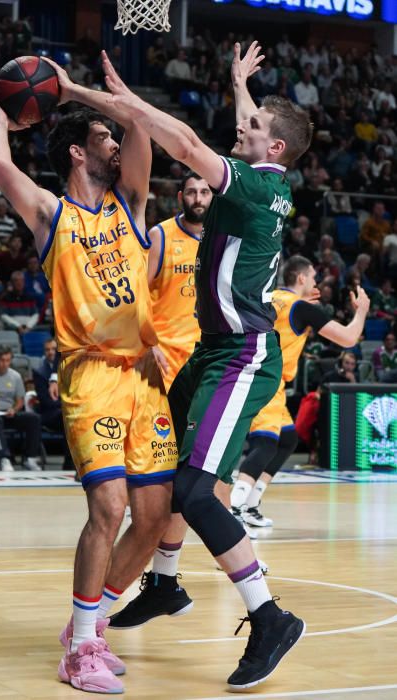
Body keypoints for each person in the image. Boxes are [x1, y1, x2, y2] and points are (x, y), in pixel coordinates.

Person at [101, 40, 313, 690]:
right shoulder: (277, 180)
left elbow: (191, 145)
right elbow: (258, 133)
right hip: (210, 349)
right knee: (174, 471)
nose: (240, 126)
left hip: (240, 352)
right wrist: (238, 83)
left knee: (195, 492)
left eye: (248, 128)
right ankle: (163, 582)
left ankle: (268, 616)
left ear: (268, 150)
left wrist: (128, 105)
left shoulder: (248, 185)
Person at [0, 58, 177, 694]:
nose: (116, 143)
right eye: (103, 139)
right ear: (77, 151)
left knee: (154, 515)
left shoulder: (132, 202)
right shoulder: (50, 213)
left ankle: (88, 622)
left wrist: (73, 89)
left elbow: (138, 121)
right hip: (89, 374)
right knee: (110, 506)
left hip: (145, 375)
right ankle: (83, 648)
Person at [230, 256, 369, 528]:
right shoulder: (302, 308)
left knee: (288, 439)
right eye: (314, 277)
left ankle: (251, 503)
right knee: (266, 442)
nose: (317, 282)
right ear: (301, 278)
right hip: (265, 379)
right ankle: (235, 505)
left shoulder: (270, 297)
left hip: (257, 375)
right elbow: (349, 338)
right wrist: (362, 310)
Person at [148, 172, 211, 391]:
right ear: (180, 197)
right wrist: (148, 343)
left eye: (205, 192)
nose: (198, 199)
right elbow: (138, 294)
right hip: (165, 354)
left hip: (206, 354)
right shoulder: (159, 235)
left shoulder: (221, 239)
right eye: (192, 192)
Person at [0, 345, 42, 472]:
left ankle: (29, 458)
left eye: (8, 360)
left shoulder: (15, 376)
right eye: (2, 360)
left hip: (9, 413)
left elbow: (20, 400)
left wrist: (14, 410)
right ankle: (3, 458)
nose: (5, 364)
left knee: (34, 419)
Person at [32, 337, 74, 469]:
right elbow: (46, 401)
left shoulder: (67, 369)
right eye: (47, 350)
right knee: (67, 415)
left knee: (71, 416)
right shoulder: (39, 372)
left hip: (62, 410)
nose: (51, 352)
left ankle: (75, 460)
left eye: (53, 349)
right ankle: (69, 463)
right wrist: (66, 403)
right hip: (48, 414)